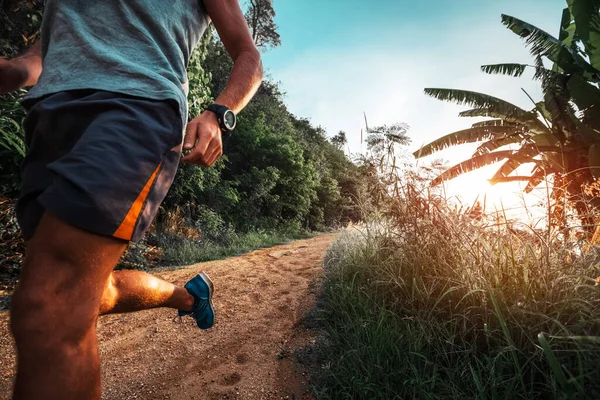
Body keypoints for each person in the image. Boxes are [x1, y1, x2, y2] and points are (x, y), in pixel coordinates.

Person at [0, 0, 263, 399]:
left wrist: (218, 114)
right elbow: (51, 48)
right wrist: (15, 70)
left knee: (49, 304)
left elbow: (249, 56)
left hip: (137, 106)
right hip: (50, 114)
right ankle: (189, 297)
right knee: (87, 290)